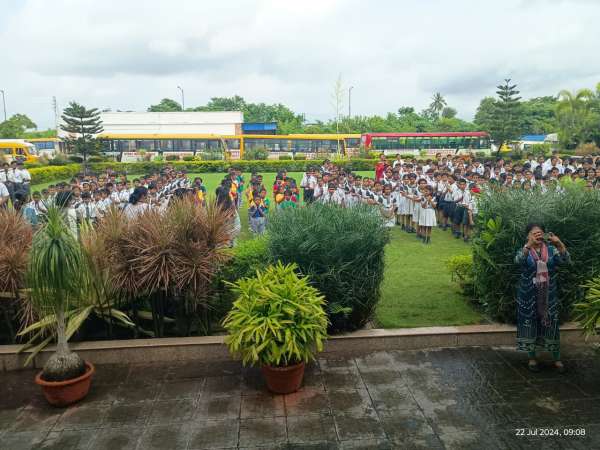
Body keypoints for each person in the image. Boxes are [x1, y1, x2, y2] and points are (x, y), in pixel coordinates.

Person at [515, 223, 570, 373]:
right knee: (530, 323)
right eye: (534, 233)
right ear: (528, 236)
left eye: (540, 233)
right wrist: (528, 246)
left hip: (548, 296)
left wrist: (559, 244)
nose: (538, 235)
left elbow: (565, 261)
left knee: (551, 324)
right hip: (528, 295)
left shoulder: (551, 250)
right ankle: (532, 358)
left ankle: (557, 358)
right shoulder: (525, 250)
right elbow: (517, 261)